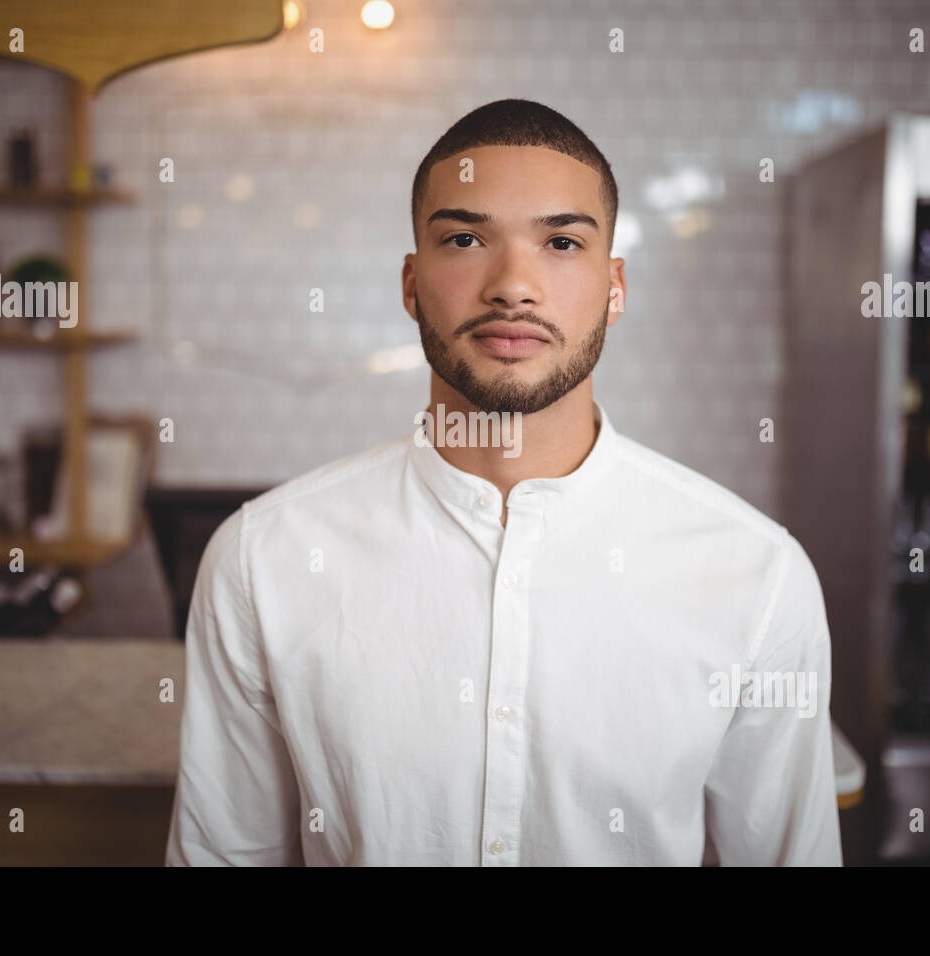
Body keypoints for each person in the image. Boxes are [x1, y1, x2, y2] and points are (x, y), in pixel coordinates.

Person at [165, 98, 842, 866]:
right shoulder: (263, 560)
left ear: (615, 288)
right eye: (464, 238)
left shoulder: (756, 574)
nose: (513, 286)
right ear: (412, 284)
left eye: (560, 241)